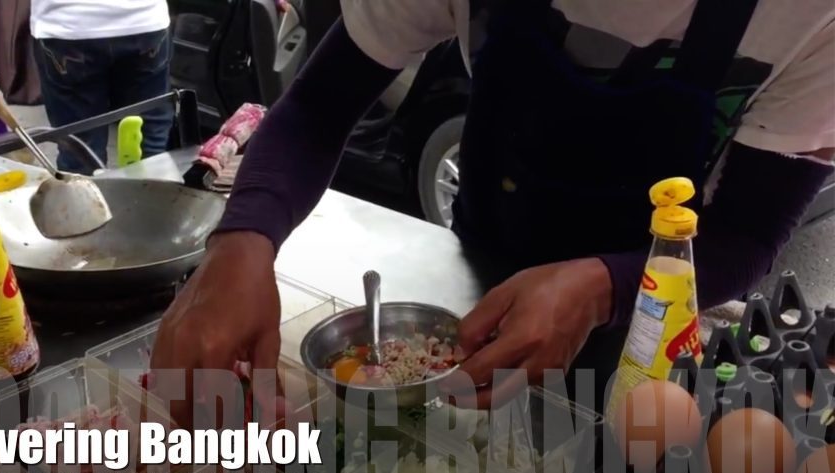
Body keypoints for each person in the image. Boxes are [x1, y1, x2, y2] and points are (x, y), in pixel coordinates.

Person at [151, 0, 835, 424]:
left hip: (643, 323)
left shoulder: (811, 17)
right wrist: (241, 241)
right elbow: (316, 108)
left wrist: (599, 287)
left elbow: (747, 234)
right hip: (474, 275)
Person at [31, 0, 174, 172]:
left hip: (69, 24)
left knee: (80, 148)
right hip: (144, 20)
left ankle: (85, 188)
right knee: (150, 144)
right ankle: (153, 188)